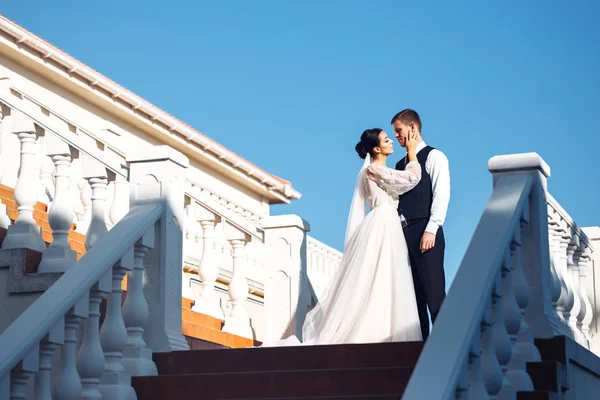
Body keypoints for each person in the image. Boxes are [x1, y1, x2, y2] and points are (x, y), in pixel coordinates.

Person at [263, 128, 422, 346]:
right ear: (377, 148)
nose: (391, 142)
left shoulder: (382, 170)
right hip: (383, 223)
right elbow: (412, 179)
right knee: (379, 275)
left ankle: (389, 329)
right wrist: (412, 153)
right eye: (386, 140)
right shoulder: (373, 170)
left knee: (389, 275)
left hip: (389, 223)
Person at [391, 109, 450, 340]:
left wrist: (431, 229)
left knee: (434, 295)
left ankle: (446, 347)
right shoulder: (399, 164)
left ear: (412, 127)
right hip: (403, 236)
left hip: (426, 231)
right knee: (413, 301)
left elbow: (441, 194)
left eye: (398, 130)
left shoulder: (435, 156)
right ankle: (420, 352)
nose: (396, 136)